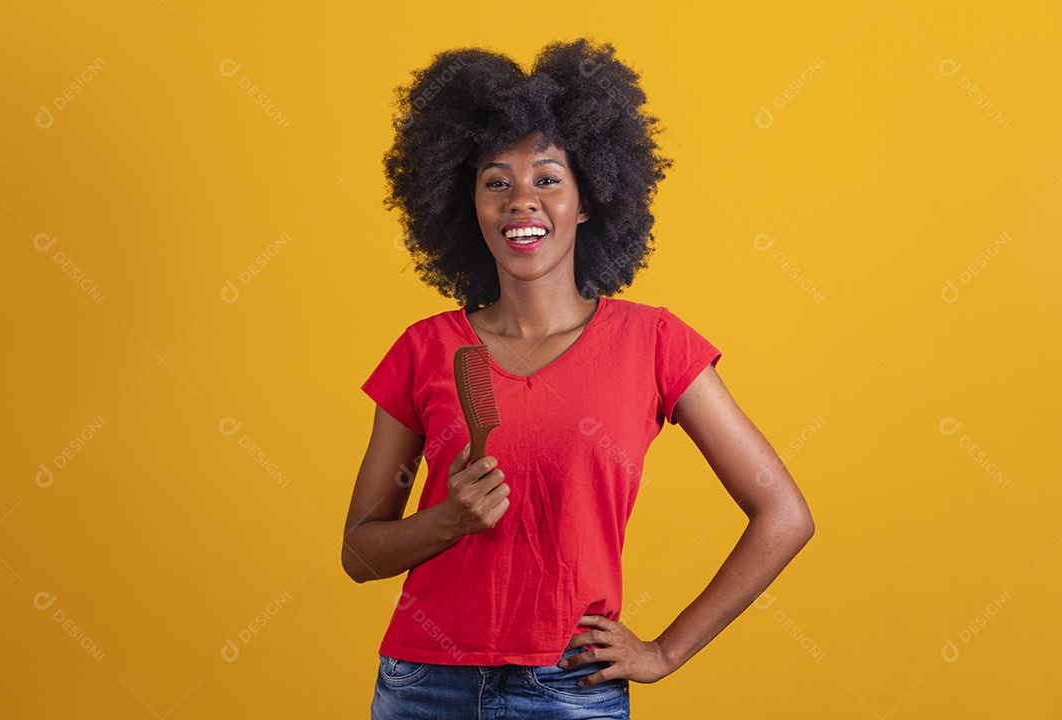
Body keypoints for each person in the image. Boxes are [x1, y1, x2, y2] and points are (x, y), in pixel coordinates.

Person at [344, 37, 815, 720]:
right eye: (496, 182)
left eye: (547, 178)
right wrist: (448, 520)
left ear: (587, 200)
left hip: (568, 691)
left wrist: (665, 652)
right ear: (466, 206)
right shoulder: (426, 349)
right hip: (423, 685)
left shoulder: (652, 342)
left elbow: (785, 516)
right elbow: (360, 551)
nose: (520, 200)